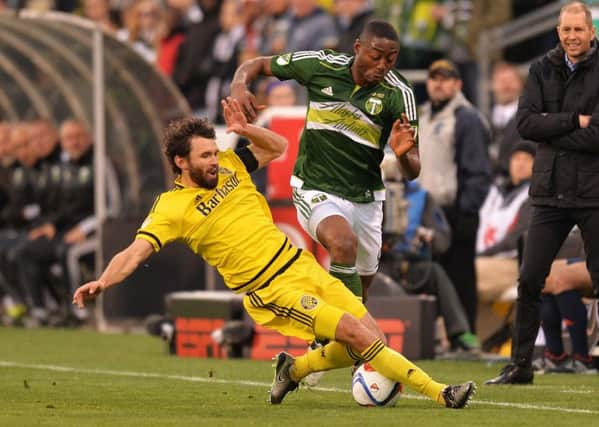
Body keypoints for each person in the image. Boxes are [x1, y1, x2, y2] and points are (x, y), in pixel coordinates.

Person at [72, 98, 475, 408]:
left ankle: (294, 368)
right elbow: (134, 252)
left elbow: (278, 146)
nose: (214, 161)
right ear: (180, 162)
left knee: (372, 335)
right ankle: (441, 394)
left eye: (214, 152)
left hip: (299, 264)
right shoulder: (170, 209)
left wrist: (245, 128)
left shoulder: (231, 164)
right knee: (356, 334)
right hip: (271, 289)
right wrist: (104, 281)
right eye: (205, 156)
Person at [230, 19, 421, 302]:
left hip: (366, 199)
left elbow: (413, 171)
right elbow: (257, 64)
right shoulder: (321, 65)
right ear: (358, 47)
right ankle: (333, 334)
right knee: (343, 244)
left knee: (360, 292)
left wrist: (404, 154)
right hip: (315, 186)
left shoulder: (399, 94)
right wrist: (238, 85)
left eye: (390, 59)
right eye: (376, 56)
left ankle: (330, 340)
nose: (382, 65)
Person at [486, 1, 599, 385]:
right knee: (530, 278)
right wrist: (573, 121)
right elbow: (526, 124)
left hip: (593, 191)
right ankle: (521, 365)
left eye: (578, 30)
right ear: (558, 31)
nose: (571, 37)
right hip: (550, 192)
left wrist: (553, 126)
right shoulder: (540, 68)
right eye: (566, 30)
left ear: (591, 31)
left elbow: (597, 133)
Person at [418, 59, 492, 334]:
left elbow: (478, 171)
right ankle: (437, 338)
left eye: (446, 78)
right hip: (425, 210)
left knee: (459, 277)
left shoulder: (466, 118)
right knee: (431, 277)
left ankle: (465, 336)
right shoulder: (424, 115)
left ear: (458, 84)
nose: (439, 83)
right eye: (434, 77)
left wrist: (467, 212)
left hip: (453, 211)